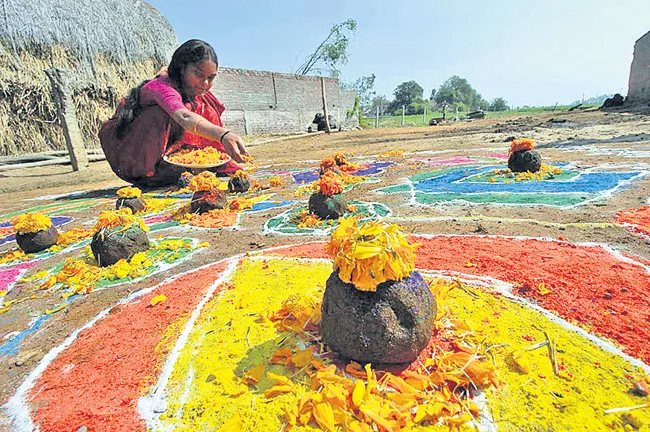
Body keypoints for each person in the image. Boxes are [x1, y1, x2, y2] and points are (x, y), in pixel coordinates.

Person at [99, 39, 249, 186]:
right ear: (182, 68)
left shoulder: (195, 93)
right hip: (138, 157)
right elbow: (184, 116)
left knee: (204, 106)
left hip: (173, 157)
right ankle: (153, 174)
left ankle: (191, 165)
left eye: (210, 78)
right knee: (158, 114)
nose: (205, 84)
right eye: (198, 74)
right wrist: (223, 135)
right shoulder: (162, 87)